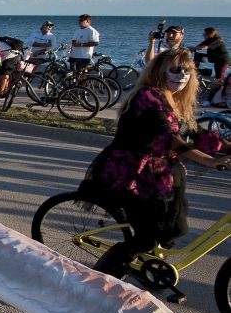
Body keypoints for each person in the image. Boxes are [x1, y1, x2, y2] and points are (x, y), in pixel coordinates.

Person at [81, 48, 231, 279]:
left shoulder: (178, 101)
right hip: (133, 173)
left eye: (186, 71)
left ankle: (143, 263)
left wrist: (227, 148)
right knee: (146, 237)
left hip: (162, 172)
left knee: (176, 228)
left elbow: (198, 133)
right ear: (160, 71)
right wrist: (210, 161)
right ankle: (95, 281)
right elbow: (169, 138)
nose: (181, 76)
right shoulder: (147, 96)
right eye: (175, 70)